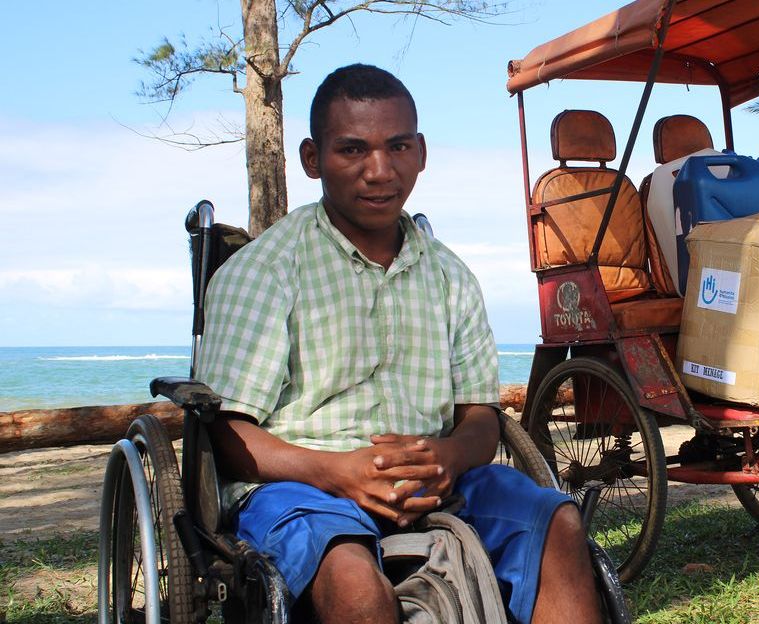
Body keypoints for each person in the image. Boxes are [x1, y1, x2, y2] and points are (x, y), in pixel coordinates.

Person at [196, 64, 602, 624]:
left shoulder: (449, 276)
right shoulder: (263, 272)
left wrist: (448, 458)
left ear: (421, 152)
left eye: (398, 147)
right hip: (303, 487)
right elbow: (229, 432)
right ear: (313, 159)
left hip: (440, 482)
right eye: (353, 150)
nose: (379, 171)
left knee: (559, 524)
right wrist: (338, 472)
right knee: (351, 580)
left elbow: (480, 418)